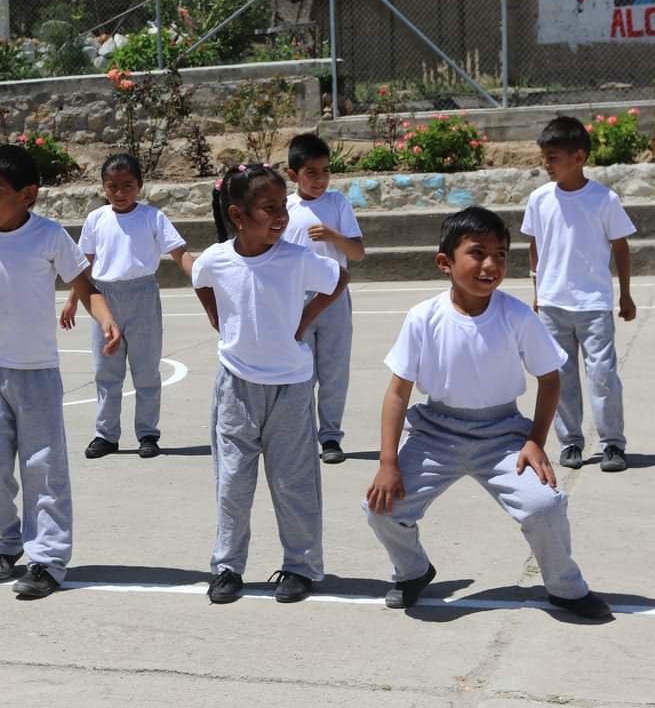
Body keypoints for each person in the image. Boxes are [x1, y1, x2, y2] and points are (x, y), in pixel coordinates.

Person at [364, 207, 611, 620]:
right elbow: (396, 394)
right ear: (445, 262)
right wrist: (388, 461)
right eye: (477, 253)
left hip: (502, 435)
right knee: (381, 509)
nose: (491, 264)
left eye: (500, 254)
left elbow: (551, 379)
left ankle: (566, 588)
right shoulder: (423, 317)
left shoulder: (516, 315)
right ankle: (412, 571)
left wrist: (534, 440)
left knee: (544, 506)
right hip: (434, 433)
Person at [0, 145, 121, 600]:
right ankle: (5, 543)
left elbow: (86, 286)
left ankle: (48, 558)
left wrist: (105, 320)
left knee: (42, 466)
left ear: (27, 195)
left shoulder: (49, 236)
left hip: (36, 370)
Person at [195, 164, 349, 605]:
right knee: (233, 481)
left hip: (291, 387)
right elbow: (200, 280)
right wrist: (217, 319)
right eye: (269, 209)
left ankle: (300, 566)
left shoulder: (298, 259)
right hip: (236, 387)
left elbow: (339, 280)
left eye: (283, 206)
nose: (281, 216)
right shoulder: (218, 258)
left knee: (293, 481)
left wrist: (304, 321)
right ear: (238, 216)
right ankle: (227, 566)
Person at [60, 153, 194, 460]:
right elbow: (85, 263)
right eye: (113, 186)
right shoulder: (96, 219)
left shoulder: (152, 217)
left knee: (146, 369)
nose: (120, 193)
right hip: (103, 297)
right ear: (103, 188)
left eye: (127, 185)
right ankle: (106, 434)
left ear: (140, 186)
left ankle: (148, 433)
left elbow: (179, 252)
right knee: (107, 370)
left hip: (142, 295)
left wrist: (199, 278)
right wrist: (71, 300)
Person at [522, 116, 636, 472]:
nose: (546, 164)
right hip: (553, 305)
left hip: (593, 304)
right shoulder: (539, 200)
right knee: (561, 376)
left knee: (603, 375)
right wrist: (538, 291)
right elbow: (535, 247)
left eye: (553, 157)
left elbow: (621, 247)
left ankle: (613, 444)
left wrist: (625, 295)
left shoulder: (604, 199)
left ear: (579, 157)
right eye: (544, 157)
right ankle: (570, 442)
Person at [284, 133, 366, 464]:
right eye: (311, 173)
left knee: (333, 371)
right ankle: (299, 436)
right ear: (293, 175)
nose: (320, 180)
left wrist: (334, 236)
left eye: (325, 171)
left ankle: (330, 436)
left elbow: (357, 253)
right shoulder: (286, 208)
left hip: (334, 298)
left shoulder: (337, 204)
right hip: (295, 299)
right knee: (299, 372)